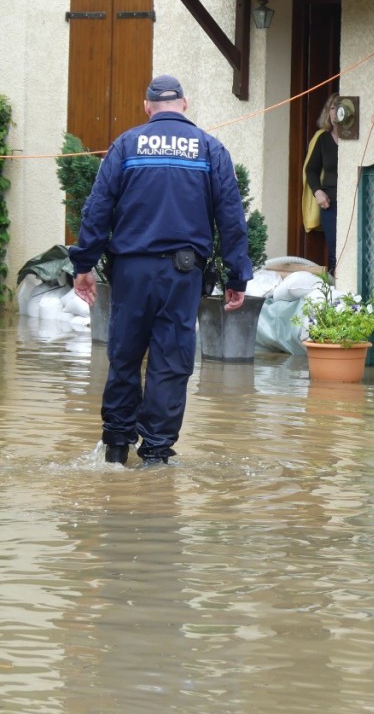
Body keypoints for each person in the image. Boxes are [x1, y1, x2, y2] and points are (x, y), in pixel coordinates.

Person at [70, 74, 252, 466]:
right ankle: (156, 456)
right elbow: (232, 220)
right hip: (182, 275)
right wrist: (237, 277)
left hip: (131, 272)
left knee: (124, 356)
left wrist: (83, 263)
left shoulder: (125, 145)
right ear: (185, 105)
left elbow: (97, 209)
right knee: (170, 364)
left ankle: (116, 451)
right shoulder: (210, 149)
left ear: (147, 107)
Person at [304, 92, 341, 276]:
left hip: (352, 202)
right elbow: (310, 169)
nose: (335, 112)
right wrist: (317, 192)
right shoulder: (322, 139)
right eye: (332, 108)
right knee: (335, 252)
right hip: (330, 204)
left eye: (339, 108)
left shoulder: (354, 138)